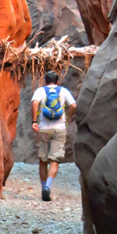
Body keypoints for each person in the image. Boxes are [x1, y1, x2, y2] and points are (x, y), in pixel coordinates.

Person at [31, 71, 76, 201]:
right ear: (57, 82)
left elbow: (34, 103)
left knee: (43, 160)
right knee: (54, 160)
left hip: (44, 128)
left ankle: (43, 188)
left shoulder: (40, 91)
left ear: (45, 81)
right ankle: (48, 187)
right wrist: (68, 117)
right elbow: (73, 105)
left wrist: (34, 121)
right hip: (59, 128)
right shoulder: (64, 91)